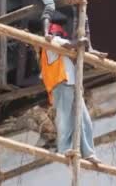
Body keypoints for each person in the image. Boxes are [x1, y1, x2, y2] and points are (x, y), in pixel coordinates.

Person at [40, 23, 101, 164]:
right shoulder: (51, 41)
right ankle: (64, 150)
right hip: (61, 85)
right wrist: (81, 41)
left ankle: (88, 153)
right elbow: (70, 44)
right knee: (64, 119)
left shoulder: (59, 50)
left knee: (84, 119)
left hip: (72, 85)